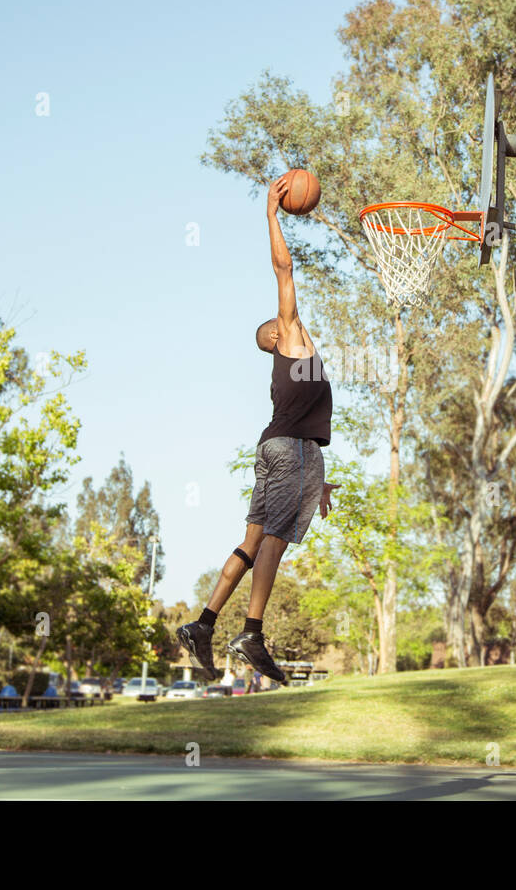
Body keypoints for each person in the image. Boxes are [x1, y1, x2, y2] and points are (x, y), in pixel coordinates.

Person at [176, 174, 338, 684]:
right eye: (276, 319)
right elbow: (283, 268)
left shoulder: (291, 367)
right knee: (274, 539)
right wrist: (271, 213)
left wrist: (318, 476)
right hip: (291, 450)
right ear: (272, 336)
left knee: (250, 543)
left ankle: (203, 623)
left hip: (278, 448)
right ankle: (251, 631)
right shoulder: (289, 338)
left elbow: (305, 419)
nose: (283, 314)